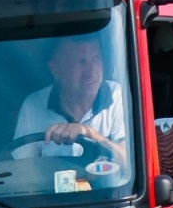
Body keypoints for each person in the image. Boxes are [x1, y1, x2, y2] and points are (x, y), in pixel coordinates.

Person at [13, 36, 128, 171]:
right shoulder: (33, 106)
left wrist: (88, 133)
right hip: (53, 190)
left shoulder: (117, 94)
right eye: (81, 62)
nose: (90, 73)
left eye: (95, 59)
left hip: (108, 191)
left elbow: (128, 162)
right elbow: (24, 170)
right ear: (55, 69)